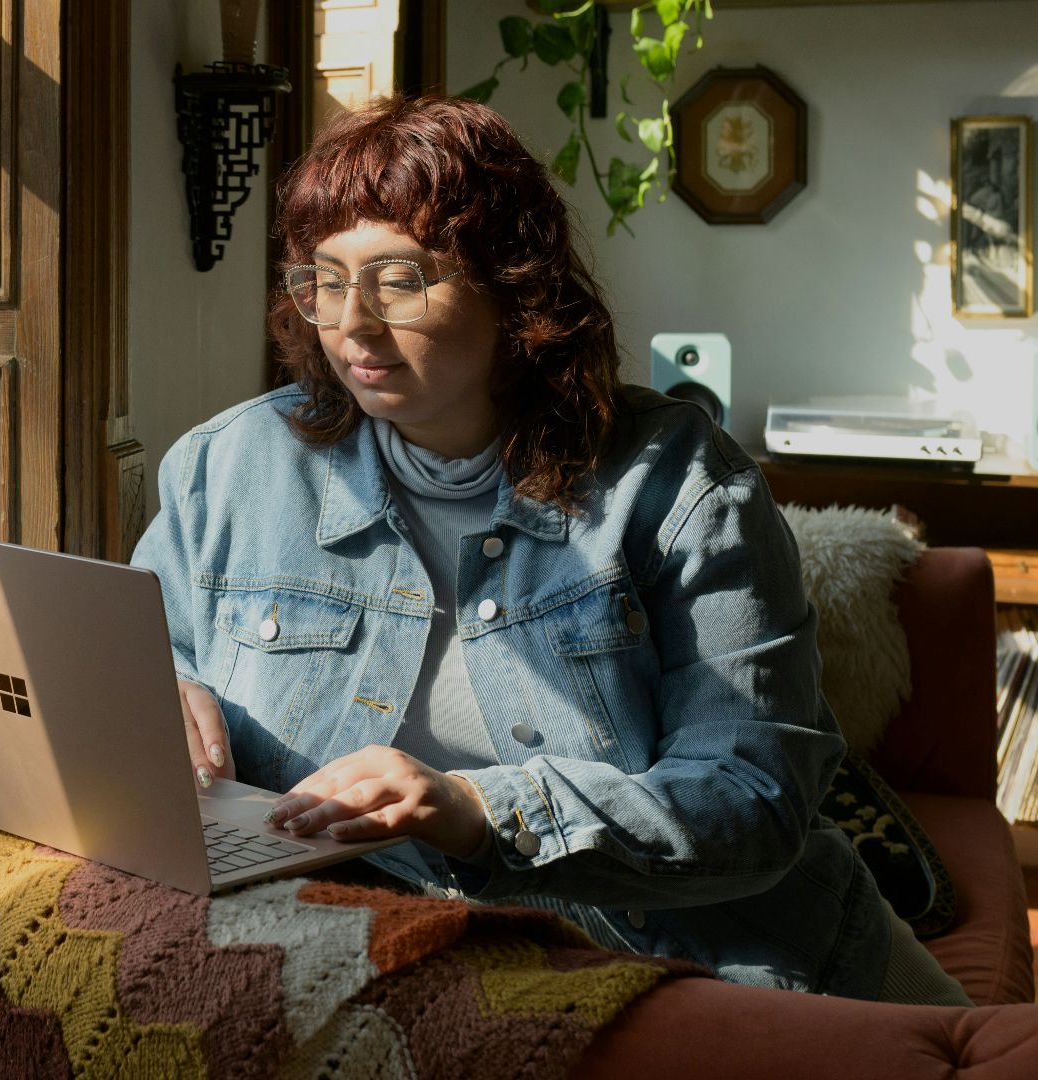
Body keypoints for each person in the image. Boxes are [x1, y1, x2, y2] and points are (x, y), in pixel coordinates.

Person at [129, 94, 969, 1006]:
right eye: (325, 280)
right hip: (351, 944)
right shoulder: (230, 465)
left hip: (682, 958)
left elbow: (751, 797)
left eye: (399, 279)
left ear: (513, 285)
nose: (352, 325)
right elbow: (149, 647)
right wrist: (159, 693)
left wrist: (482, 811)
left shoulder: (681, 485)